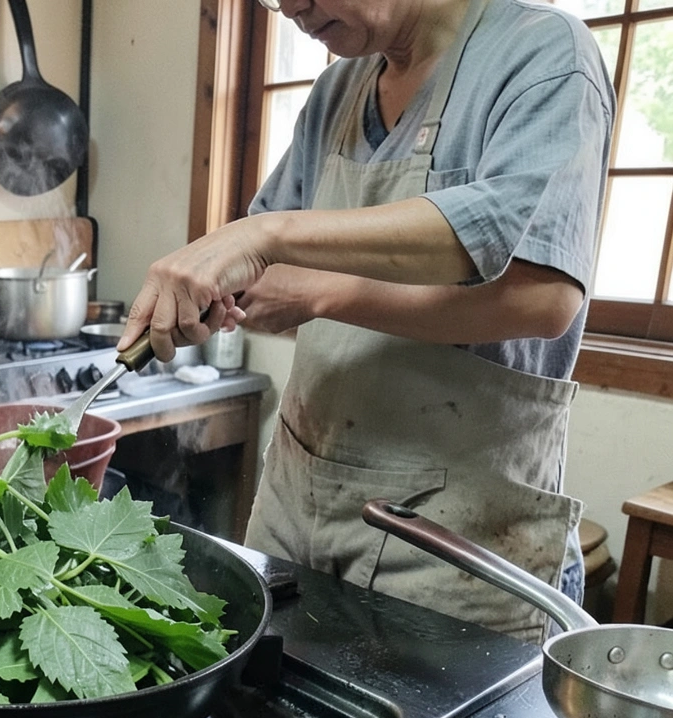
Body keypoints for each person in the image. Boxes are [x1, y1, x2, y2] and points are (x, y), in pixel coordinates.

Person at [117, 0, 614, 643]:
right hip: (300, 493)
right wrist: (219, 290)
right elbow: (267, 272)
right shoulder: (339, 90)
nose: (290, 6)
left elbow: (541, 299)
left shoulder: (542, 52)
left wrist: (305, 272)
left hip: (451, 525)